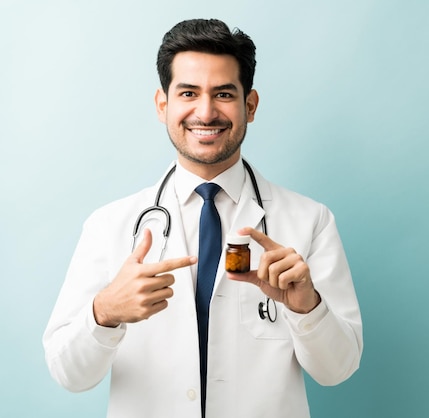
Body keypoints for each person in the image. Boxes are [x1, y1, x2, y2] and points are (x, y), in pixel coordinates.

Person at [42, 18, 362, 418]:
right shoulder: (110, 226)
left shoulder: (310, 221)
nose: (206, 112)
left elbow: (339, 369)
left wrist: (307, 308)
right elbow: (68, 373)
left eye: (224, 93)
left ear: (250, 104)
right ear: (164, 105)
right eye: (188, 93)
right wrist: (103, 313)